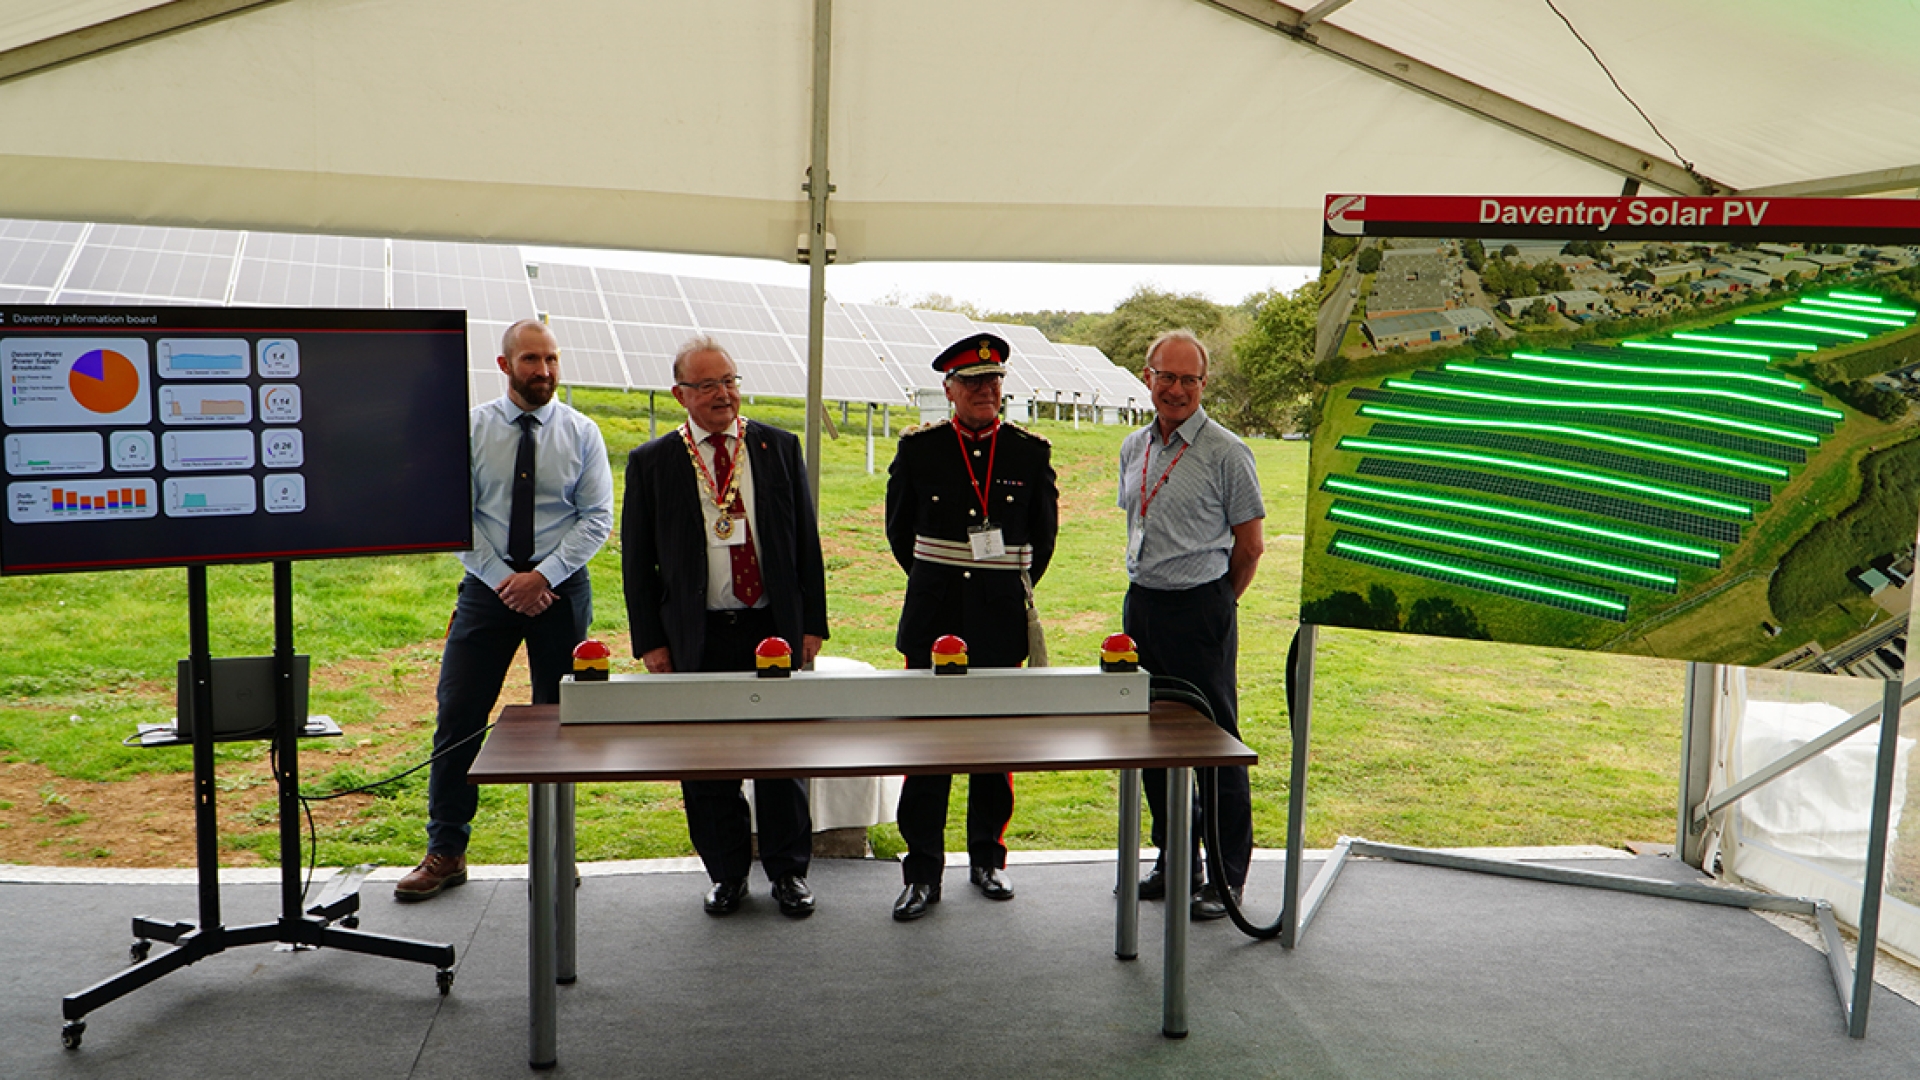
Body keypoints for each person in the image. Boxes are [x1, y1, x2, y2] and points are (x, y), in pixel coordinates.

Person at [397, 318, 613, 901]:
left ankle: (554, 853)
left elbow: (596, 518)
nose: (543, 372)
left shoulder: (582, 432)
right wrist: (504, 581)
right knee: (459, 716)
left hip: (560, 594)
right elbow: (453, 514)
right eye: (530, 361)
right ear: (504, 366)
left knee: (561, 725)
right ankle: (446, 850)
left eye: (551, 360)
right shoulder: (469, 431)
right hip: (485, 594)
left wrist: (541, 577)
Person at [623, 335, 829, 918]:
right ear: (679, 394)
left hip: (772, 628)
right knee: (707, 762)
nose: (724, 394)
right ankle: (727, 873)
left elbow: (804, 543)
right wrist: (652, 642)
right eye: (708, 385)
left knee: (781, 756)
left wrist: (811, 623)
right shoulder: (653, 462)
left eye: (731, 381)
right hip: (698, 633)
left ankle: (789, 873)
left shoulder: (777, 446)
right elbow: (637, 562)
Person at [884, 332, 1059, 921]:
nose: (987, 391)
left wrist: (996, 588)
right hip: (933, 621)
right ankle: (922, 871)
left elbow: (1044, 539)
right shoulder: (919, 451)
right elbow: (900, 536)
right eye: (974, 382)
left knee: (993, 749)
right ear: (949, 389)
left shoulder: (1029, 454)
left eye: (995, 381)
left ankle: (987, 859)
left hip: (998, 621)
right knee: (927, 750)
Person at [1118, 328, 1264, 921]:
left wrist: (1216, 604)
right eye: (1165, 376)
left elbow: (1250, 547)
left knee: (1214, 747)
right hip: (1142, 607)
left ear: (1204, 385)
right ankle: (1176, 859)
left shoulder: (1227, 452)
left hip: (1201, 609)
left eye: (1188, 379)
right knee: (1152, 744)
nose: (1175, 390)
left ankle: (1227, 877)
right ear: (1147, 377)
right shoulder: (1134, 447)